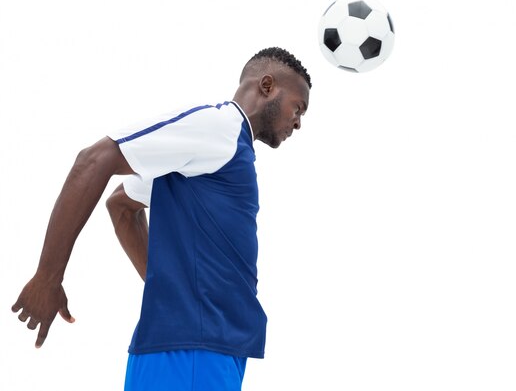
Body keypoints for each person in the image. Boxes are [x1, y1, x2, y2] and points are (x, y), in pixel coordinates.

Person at [11, 46, 312, 391]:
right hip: (192, 352)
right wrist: (48, 277)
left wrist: (173, 289)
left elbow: (122, 207)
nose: (298, 122)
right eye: (298, 107)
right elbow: (93, 160)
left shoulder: (226, 147)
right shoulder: (219, 127)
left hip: (207, 347)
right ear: (268, 86)